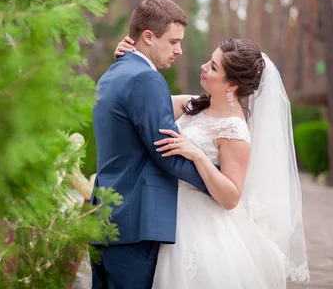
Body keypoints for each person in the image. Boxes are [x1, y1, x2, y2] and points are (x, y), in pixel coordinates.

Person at [114, 35, 310, 288]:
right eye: (210, 60)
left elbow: (231, 197)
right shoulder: (192, 104)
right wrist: (129, 60)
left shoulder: (235, 132)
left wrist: (197, 155)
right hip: (167, 210)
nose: (204, 67)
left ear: (231, 85)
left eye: (214, 67)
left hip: (200, 228)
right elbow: (142, 101)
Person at [89, 0, 214, 289]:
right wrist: (214, 180)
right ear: (148, 36)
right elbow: (167, 153)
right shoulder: (146, 80)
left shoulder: (113, 73)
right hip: (135, 222)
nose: (179, 50)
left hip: (105, 216)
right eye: (173, 41)